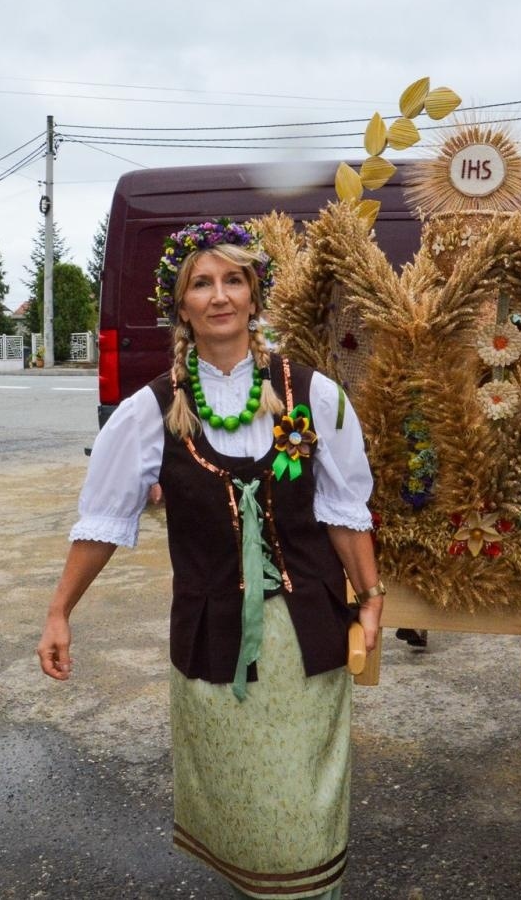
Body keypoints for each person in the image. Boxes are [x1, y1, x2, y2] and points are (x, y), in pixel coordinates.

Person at [37, 220, 382, 899]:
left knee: (301, 795)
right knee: (239, 794)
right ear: (181, 304)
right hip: (212, 631)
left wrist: (370, 598)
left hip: (304, 629)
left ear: (256, 297)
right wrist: (59, 610)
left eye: (234, 281)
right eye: (202, 283)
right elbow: (104, 521)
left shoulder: (314, 395)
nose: (219, 296)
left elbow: (346, 510)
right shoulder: (148, 412)